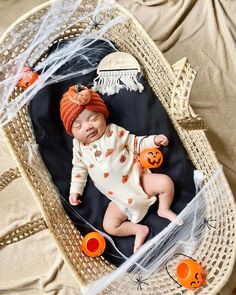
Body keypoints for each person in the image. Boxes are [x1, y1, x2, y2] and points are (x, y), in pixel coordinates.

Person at [60, 84, 180, 252]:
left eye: (93, 118)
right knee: (109, 225)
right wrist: (75, 191)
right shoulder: (79, 147)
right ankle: (138, 230)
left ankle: (163, 208)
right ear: (72, 132)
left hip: (139, 180)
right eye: (78, 126)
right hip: (120, 201)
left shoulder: (113, 132)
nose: (88, 127)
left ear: (103, 116)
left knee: (165, 183)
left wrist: (153, 141)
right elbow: (78, 170)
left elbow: (135, 142)